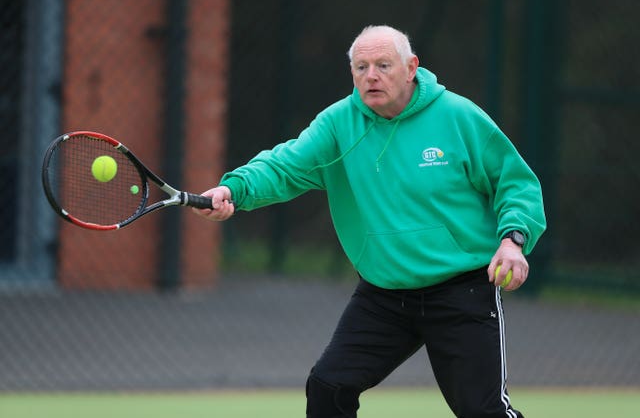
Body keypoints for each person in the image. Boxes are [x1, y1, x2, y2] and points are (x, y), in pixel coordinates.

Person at [194, 25, 546, 418]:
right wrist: (235, 190)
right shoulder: (338, 124)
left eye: (383, 65)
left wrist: (513, 239)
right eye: (361, 67)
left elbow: (515, 183)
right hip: (384, 296)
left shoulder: (458, 117)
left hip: (461, 292)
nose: (371, 76)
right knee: (329, 388)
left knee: (484, 412)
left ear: (411, 67)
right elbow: (284, 165)